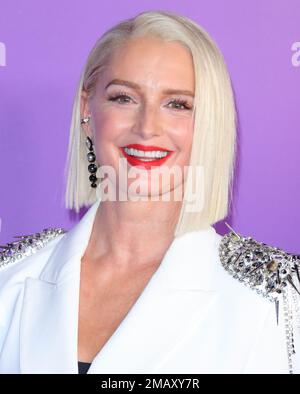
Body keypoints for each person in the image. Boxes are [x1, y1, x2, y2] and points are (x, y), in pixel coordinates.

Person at [0, 10, 299, 374]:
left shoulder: (278, 301)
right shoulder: (9, 278)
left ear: (209, 122)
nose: (147, 128)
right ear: (86, 112)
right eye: (124, 98)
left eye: (177, 104)